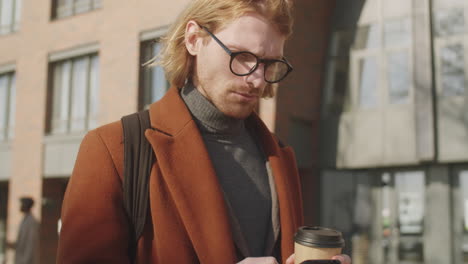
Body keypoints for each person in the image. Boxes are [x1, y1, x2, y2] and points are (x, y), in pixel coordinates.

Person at [57, 0, 352, 264]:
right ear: (194, 39)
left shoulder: (279, 155)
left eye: (269, 63)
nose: (258, 79)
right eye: (242, 56)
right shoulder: (113, 148)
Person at [6, 197, 39, 264]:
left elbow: (31, 243)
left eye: (22, 204)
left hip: (26, 261)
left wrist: (25, 261)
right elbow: (22, 243)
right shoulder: (24, 220)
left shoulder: (32, 222)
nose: (20, 206)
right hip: (21, 260)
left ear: (26, 206)